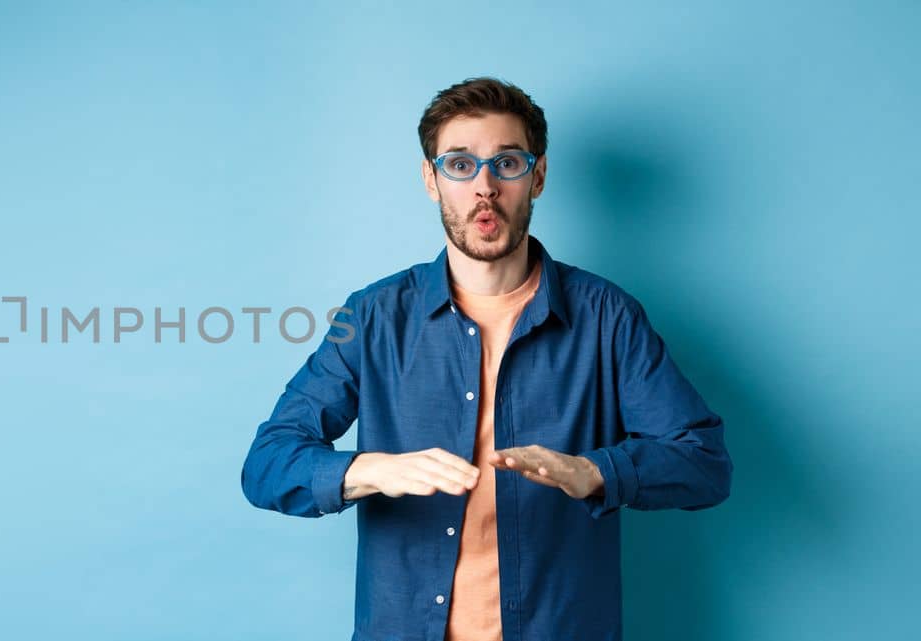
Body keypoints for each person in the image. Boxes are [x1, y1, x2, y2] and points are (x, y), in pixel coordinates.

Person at [239, 77, 733, 641]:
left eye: (507, 163)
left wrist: (594, 472)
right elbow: (267, 464)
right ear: (431, 180)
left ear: (538, 177)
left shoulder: (607, 317)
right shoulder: (373, 317)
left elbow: (704, 463)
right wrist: (373, 469)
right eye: (459, 165)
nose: (484, 188)